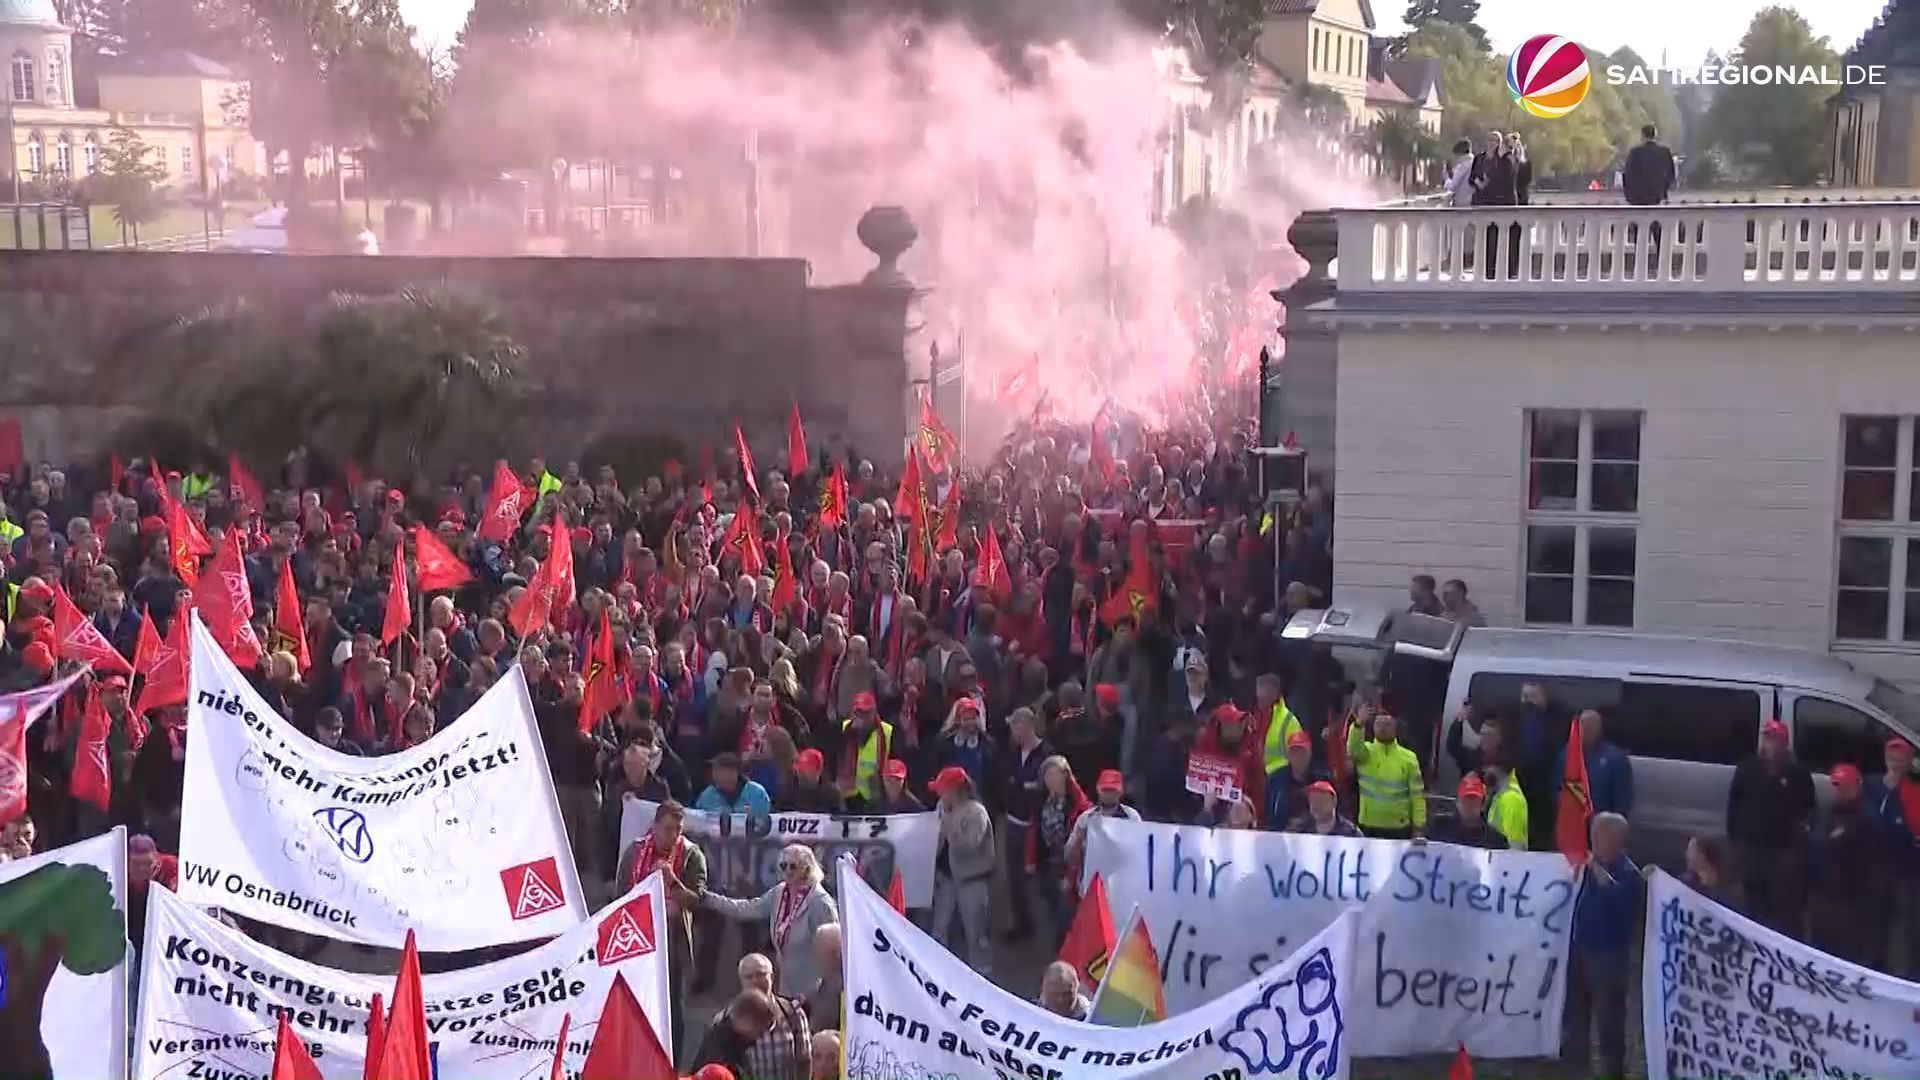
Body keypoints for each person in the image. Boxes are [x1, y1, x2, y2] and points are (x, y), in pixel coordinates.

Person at [682, 844, 838, 998]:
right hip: (786, 988)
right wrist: (707, 898)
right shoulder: (779, 892)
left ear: (807, 868)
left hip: (813, 992)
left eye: (793, 866)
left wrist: (825, 995)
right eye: (783, 866)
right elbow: (746, 909)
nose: (787, 871)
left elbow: (834, 950)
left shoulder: (820, 903)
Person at [615, 800, 705, 1049]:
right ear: (654, 826)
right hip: (638, 933)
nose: (673, 835)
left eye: (678, 829)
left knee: (671, 1002)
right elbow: (621, 892)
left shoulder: (691, 854)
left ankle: (671, 1061)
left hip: (671, 937)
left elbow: (697, 900)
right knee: (636, 998)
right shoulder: (635, 851)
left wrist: (672, 882)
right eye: (667, 829)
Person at [1563, 812, 1640, 1080]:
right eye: (1593, 834)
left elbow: (1619, 902)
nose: (1594, 841)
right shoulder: (1586, 867)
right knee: (1577, 1014)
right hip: (1581, 948)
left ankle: (1612, 1071)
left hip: (1608, 957)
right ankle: (1576, 1067)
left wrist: (1596, 871)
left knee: (1610, 1019)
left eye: (1599, 835)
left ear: (1615, 839)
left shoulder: (1628, 873)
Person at [1725, 719, 1813, 932]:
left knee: (1783, 909)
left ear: (1784, 743)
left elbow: (1809, 809)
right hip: (1751, 849)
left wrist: (1797, 843)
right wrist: (1735, 839)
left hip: (1782, 854)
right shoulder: (1747, 768)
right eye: (1767, 738)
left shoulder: (1797, 773)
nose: (1770, 744)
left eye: (1775, 739)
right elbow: (1734, 804)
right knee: (1753, 903)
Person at [1808, 764, 1881, 967]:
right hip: (1822, 895)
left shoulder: (1866, 818)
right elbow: (1814, 845)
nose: (1840, 791)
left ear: (1857, 787)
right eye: (1837, 785)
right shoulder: (1823, 812)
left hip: (1850, 901)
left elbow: (1865, 860)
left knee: (1848, 954)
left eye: (1845, 786)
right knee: (1821, 948)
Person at [928, 766, 995, 975]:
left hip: (972, 881)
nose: (939, 794)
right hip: (946, 878)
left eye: (943, 790)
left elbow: (970, 845)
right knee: (940, 929)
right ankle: (938, 973)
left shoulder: (976, 812)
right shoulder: (941, 806)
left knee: (975, 933)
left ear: (955, 791)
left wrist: (950, 827)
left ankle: (982, 974)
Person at [1000, 706, 1053, 943]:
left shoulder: (1046, 754)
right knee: (1014, 877)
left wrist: (1026, 788)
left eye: (1015, 725)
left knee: (1035, 877)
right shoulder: (1013, 752)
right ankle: (1022, 924)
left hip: (1035, 826)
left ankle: (1043, 928)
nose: (1012, 730)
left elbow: (1043, 788)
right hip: (1013, 820)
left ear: (1027, 725)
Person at [1868, 738, 1920, 975]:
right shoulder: (1871, 786)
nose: (1896, 761)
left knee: (1906, 927)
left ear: (1910, 761)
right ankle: (1874, 969)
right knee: (1876, 919)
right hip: (1877, 866)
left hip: (1907, 870)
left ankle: (1905, 976)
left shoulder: (1915, 790)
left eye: (1901, 757)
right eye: (1892, 755)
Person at [1026, 755, 1090, 945]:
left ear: (1065, 776)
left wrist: (1070, 877)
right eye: (1047, 776)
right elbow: (1033, 830)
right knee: (1050, 907)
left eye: (1055, 775)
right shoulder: (1041, 801)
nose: (1051, 780)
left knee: (1066, 915)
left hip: (1068, 866)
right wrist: (1030, 859)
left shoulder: (1079, 805)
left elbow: (1082, 845)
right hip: (1047, 864)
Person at [1348, 711, 1425, 840]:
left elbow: (1417, 796)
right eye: (1378, 724)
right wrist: (1359, 724)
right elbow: (1353, 748)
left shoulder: (1409, 758)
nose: (1382, 728)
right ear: (1373, 727)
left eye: (1387, 724)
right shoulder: (1365, 753)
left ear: (1395, 727)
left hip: (1399, 829)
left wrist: (1419, 827)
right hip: (1368, 826)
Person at [736, 952, 811, 1080]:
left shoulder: (793, 1012)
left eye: (760, 974)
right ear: (741, 982)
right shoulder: (728, 1019)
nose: (755, 980)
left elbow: (805, 1060)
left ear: (772, 976)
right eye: (749, 977)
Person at [1554, 709, 1633, 818]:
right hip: (1571, 822)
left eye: (1591, 725)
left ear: (1599, 728)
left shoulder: (1615, 759)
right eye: (1583, 725)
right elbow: (1556, 789)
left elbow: (1622, 802)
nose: (1586, 729)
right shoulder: (1565, 755)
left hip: (1600, 823)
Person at [693, 990, 779, 1077]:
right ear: (746, 1020)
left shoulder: (740, 1039)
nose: (760, 1036)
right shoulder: (720, 1047)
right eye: (760, 1030)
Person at [1263, 731, 1328, 831]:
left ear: (1310, 753)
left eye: (1302, 751)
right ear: (1288, 755)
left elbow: (1328, 815)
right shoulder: (1274, 779)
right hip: (1279, 834)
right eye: (1294, 752)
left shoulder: (1322, 779)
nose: (1298, 756)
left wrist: (1304, 824)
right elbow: (1267, 815)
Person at [1426, 776, 1507, 849]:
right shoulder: (1439, 828)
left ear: (1482, 805)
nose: (1469, 806)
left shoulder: (1496, 840)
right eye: (1465, 801)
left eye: (1474, 801)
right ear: (1457, 803)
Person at [696, 752, 772, 817]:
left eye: (719, 770)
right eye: (714, 770)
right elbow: (697, 817)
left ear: (734, 773)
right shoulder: (707, 795)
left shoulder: (756, 793)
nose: (715, 774)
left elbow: (765, 820)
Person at [1622, 124, 1676, 206]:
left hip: (1637, 197)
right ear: (1655, 135)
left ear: (1642, 135)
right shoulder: (1664, 152)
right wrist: (1663, 190)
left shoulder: (1635, 152)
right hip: (1658, 196)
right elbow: (1671, 174)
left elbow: (1627, 174)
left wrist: (1629, 195)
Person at [1683, 834, 1740, 911]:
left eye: (1691, 851)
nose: (1687, 855)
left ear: (1702, 856)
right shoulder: (1686, 883)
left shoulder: (1729, 891)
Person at [1287, 780, 1360, 837]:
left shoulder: (1351, 833)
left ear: (1334, 801)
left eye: (1320, 800)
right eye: (1312, 800)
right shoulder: (1298, 830)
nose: (1316, 805)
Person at [805, 923, 843, 1030]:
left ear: (835, 954)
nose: (815, 956)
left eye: (818, 950)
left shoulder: (848, 987)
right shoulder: (824, 981)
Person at [1484, 761, 1529, 850]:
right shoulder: (1499, 795)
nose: (1484, 771)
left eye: (1487, 766)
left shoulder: (1511, 799)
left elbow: (1514, 849)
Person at [1443, 139, 1475, 209]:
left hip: (1461, 203)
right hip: (1473, 201)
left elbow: (1452, 186)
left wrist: (1447, 178)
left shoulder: (1462, 165)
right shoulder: (1475, 162)